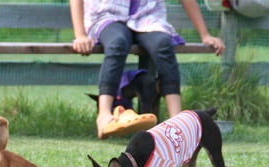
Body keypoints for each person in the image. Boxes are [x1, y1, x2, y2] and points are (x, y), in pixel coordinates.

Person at [69, 0, 225, 139]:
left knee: (163, 45)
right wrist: (80, 34)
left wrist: (205, 35)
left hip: (148, 18)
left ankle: (177, 124)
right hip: (106, 16)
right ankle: (104, 114)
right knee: (118, 43)